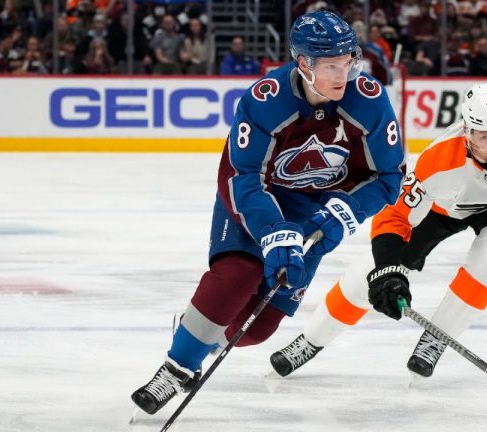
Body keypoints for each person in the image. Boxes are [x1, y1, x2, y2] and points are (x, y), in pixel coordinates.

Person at [131, 10, 405, 415]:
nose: (342, 74)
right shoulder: (265, 99)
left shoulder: (368, 100)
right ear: (303, 64)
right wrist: (273, 231)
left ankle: (198, 332)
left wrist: (343, 212)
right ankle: (177, 367)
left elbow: (389, 177)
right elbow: (244, 177)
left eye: (348, 62)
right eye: (330, 65)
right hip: (256, 200)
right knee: (238, 274)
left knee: (254, 329)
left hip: (316, 212)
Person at [270, 82, 487, 378]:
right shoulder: (437, 162)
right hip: (442, 208)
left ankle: (438, 337)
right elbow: (394, 216)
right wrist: (390, 270)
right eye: (484, 137)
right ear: (466, 132)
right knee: (368, 273)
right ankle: (311, 340)